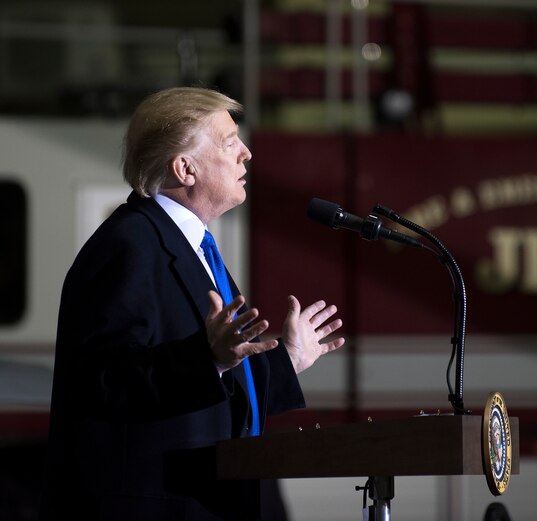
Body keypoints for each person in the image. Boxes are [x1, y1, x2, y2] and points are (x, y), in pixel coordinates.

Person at [39, 86, 345, 521]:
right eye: (229, 141)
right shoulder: (130, 246)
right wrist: (208, 357)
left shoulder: (192, 245)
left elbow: (213, 382)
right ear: (185, 168)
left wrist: (287, 358)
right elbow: (102, 381)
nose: (247, 153)